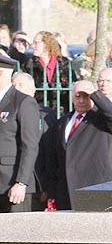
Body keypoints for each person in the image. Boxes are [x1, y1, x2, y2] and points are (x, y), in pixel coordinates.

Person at [46, 80, 112, 210]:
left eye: (85, 96)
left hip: (94, 188)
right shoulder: (62, 122)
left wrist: (94, 94)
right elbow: (54, 158)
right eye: (77, 96)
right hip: (66, 192)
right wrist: (52, 191)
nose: (81, 100)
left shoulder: (100, 119)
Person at [0, 54, 40, 212]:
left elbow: (30, 145)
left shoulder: (23, 101)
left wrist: (21, 182)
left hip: (12, 184)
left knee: (15, 235)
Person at [12, 72, 56, 208]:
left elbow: (49, 152)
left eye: (21, 85)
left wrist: (46, 187)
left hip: (35, 183)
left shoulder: (46, 114)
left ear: (32, 90)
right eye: (14, 85)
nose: (17, 88)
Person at [22, 31, 71, 117]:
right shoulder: (28, 64)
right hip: (37, 111)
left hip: (61, 111)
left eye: (36, 42)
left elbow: (69, 88)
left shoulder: (64, 63)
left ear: (47, 44)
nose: (32, 45)